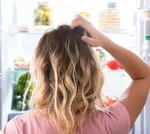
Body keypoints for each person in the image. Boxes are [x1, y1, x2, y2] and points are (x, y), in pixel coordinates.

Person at [1, 15, 150, 134]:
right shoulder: (111, 123)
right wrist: (104, 41)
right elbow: (144, 76)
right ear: (92, 71)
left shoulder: (18, 128)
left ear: (40, 71)